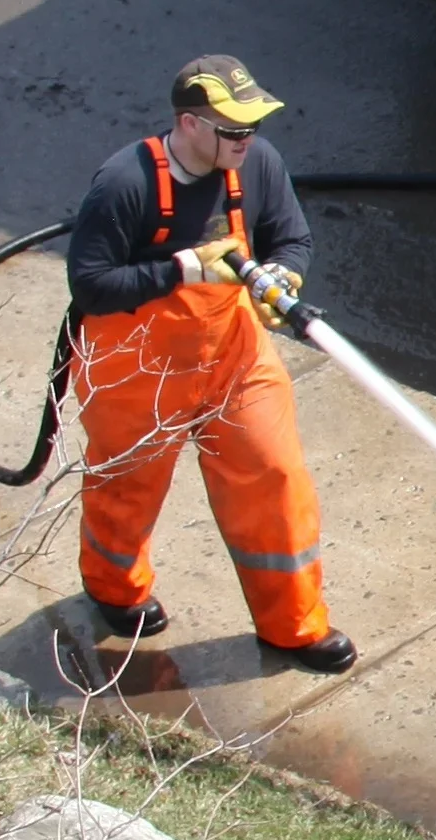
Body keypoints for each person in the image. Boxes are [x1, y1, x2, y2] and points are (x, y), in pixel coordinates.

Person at [66, 56, 355, 675]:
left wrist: (284, 273)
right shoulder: (125, 183)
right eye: (232, 129)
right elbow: (91, 285)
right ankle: (114, 590)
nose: (246, 139)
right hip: (137, 368)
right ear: (190, 124)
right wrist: (180, 270)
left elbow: (290, 236)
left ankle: (295, 627)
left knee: (276, 478)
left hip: (234, 357)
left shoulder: (258, 165)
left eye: (251, 125)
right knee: (127, 489)